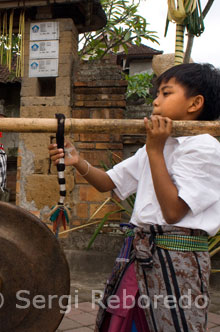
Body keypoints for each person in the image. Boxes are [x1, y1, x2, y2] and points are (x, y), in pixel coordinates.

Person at [49, 63, 220, 332]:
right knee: (125, 323)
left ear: (195, 103)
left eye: (166, 93)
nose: (155, 100)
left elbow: (173, 212)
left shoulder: (205, 147)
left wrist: (155, 151)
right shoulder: (155, 146)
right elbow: (108, 182)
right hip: (138, 258)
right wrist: (78, 161)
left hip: (178, 262)